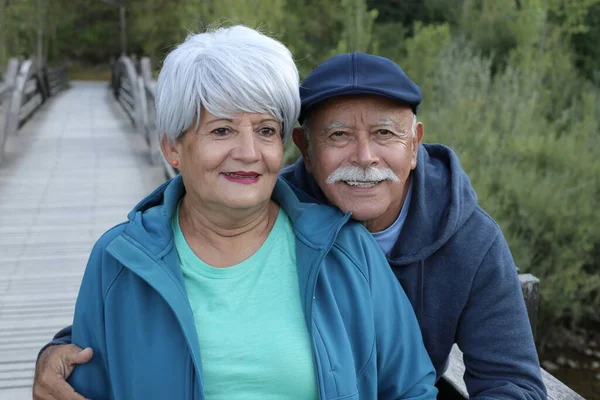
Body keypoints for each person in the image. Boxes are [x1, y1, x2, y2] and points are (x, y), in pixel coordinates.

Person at [33, 52, 546, 399]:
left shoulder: (469, 240)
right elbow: (150, 274)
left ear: (416, 145)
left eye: (386, 134)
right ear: (305, 148)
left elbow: (510, 382)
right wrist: (61, 347)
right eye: (339, 135)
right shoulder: (270, 194)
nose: (364, 157)